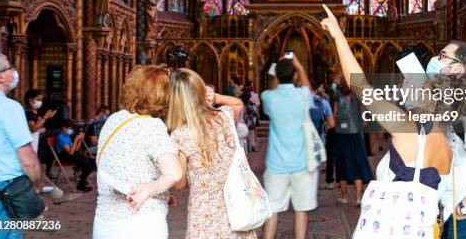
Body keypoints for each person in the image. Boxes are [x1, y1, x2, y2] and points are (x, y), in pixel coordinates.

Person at [320, 6, 466, 239]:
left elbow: (360, 86)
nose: (405, 86)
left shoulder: (407, 130)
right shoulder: (446, 146)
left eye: (411, 85)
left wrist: (338, 35)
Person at [92, 65, 184, 239]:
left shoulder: (114, 119)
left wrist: (160, 191)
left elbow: (125, 163)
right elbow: (174, 174)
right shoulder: (151, 125)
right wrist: (150, 189)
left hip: (104, 222)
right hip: (141, 222)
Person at [166, 68, 254, 238]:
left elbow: (179, 182)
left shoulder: (180, 134)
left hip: (204, 216)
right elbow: (238, 103)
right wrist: (216, 97)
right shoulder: (224, 117)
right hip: (235, 207)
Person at [261, 56, 318, 239]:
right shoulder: (303, 95)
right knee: (301, 210)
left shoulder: (268, 97)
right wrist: (300, 66)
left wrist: (277, 69)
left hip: (276, 164)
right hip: (301, 163)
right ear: (295, 75)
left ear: (276, 75)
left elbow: (273, 88)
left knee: (272, 209)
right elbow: (308, 88)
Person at [0, 51, 43, 239]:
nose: (14, 71)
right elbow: (27, 158)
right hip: (2, 188)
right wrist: (36, 185)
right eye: (10, 67)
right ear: (0, 75)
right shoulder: (9, 107)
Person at [333, 83, 372, 205]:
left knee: (342, 164)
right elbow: (365, 122)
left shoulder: (338, 100)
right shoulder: (359, 101)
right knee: (357, 164)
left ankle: (344, 197)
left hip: (341, 137)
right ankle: (358, 198)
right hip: (356, 137)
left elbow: (334, 118)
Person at [54, 119, 96, 192]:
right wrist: (76, 140)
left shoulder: (67, 136)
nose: (70, 130)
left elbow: (75, 150)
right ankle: (81, 184)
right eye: (69, 128)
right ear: (64, 128)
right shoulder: (60, 137)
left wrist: (79, 140)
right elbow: (70, 152)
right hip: (64, 157)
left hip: (72, 155)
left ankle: (81, 181)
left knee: (93, 162)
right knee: (87, 164)